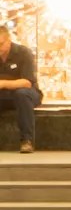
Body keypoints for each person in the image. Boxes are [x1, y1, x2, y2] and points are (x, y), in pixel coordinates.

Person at [0, 24, 40, 152]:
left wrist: (3, 83)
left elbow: (27, 82)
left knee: (21, 93)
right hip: (4, 96)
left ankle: (27, 141)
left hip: (28, 94)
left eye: (1, 44)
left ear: (9, 40)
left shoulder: (23, 53)